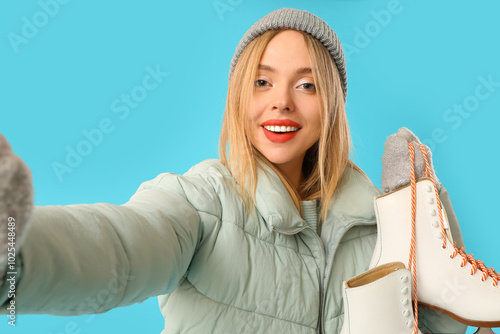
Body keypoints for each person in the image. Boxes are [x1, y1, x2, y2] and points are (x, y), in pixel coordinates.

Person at [0, 8, 467, 334]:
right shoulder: (200, 202)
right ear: (239, 96)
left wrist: (430, 239)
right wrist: (9, 246)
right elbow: (118, 249)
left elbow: (432, 327)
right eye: (261, 81)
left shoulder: (379, 228)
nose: (280, 100)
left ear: (332, 106)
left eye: (306, 85)